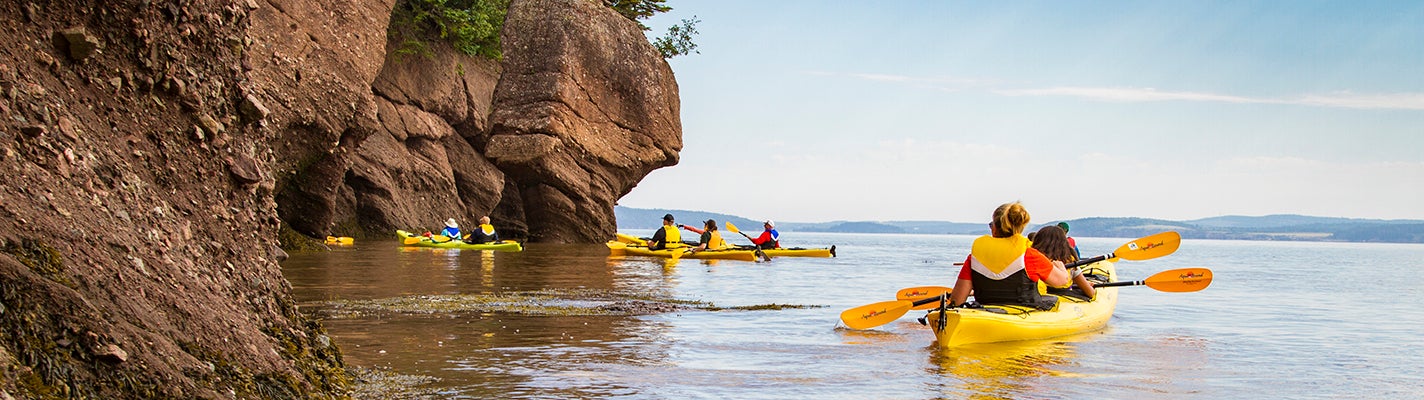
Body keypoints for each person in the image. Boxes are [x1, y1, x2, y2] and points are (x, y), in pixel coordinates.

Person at [949, 202, 1071, 310]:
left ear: (995, 228)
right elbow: (1060, 281)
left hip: (985, 311)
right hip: (1022, 313)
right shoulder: (1030, 255)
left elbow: (957, 300)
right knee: (1052, 300)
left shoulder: (973, 258)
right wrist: (1061, 268)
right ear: (1020, 228)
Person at [1032, 225, 1096, 300]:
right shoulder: (1070, 262)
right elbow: (1090, 293)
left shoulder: (1032, 258)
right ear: (1064, 242)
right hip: (1062, 298)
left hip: (1036, 297)